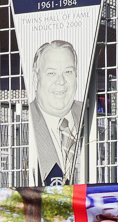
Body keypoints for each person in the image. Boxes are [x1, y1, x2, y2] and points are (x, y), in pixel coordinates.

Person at [27, 40, 83, 188]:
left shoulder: (91, 117)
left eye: (68, 72)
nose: (61, 81)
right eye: (51, 73)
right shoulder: (23, 124)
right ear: (35, 79)